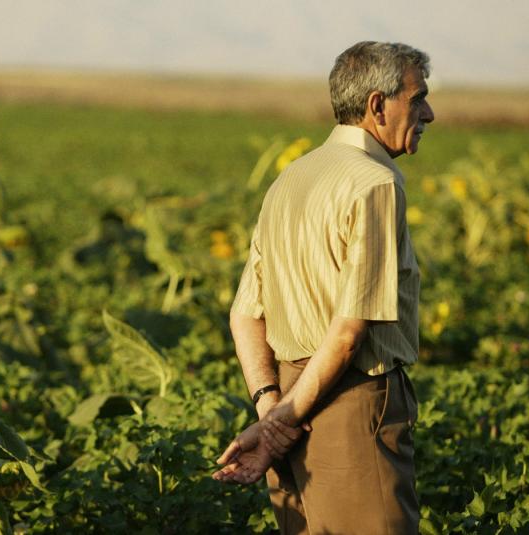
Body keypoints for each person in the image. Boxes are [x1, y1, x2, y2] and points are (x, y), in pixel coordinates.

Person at [212, 41, 434, 535]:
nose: (428, 113)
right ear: (378, 105)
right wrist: (281, 419)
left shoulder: (291, 178)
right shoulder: (374, 183)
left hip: (291, 402)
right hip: (349, 403)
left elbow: (245, 314)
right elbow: (349, 332)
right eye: (417, 99)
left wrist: (272, 407)